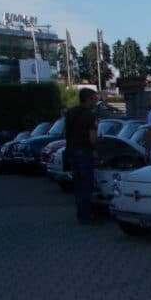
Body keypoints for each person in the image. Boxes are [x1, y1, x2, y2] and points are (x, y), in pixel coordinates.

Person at [64, 88, 98, 224]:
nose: (96, 101)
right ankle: (87, 216)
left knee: (78, 185)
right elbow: (93, 139)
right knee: (86, 185)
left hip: (72, 151)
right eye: (94, 98)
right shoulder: (90, 115)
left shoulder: (70, 112)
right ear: (89, 99)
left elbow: (65, 131)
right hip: (84, 152)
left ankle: (81, 214)